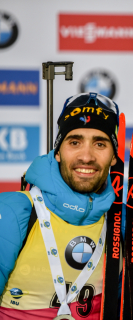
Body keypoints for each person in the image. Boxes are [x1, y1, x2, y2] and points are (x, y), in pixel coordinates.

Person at [0, 93, 119, 320]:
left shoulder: (121, 222)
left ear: (114, 156)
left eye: (100, 144)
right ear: (57, 152)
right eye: (74, 142)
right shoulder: (12, 212)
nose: (86, 156)